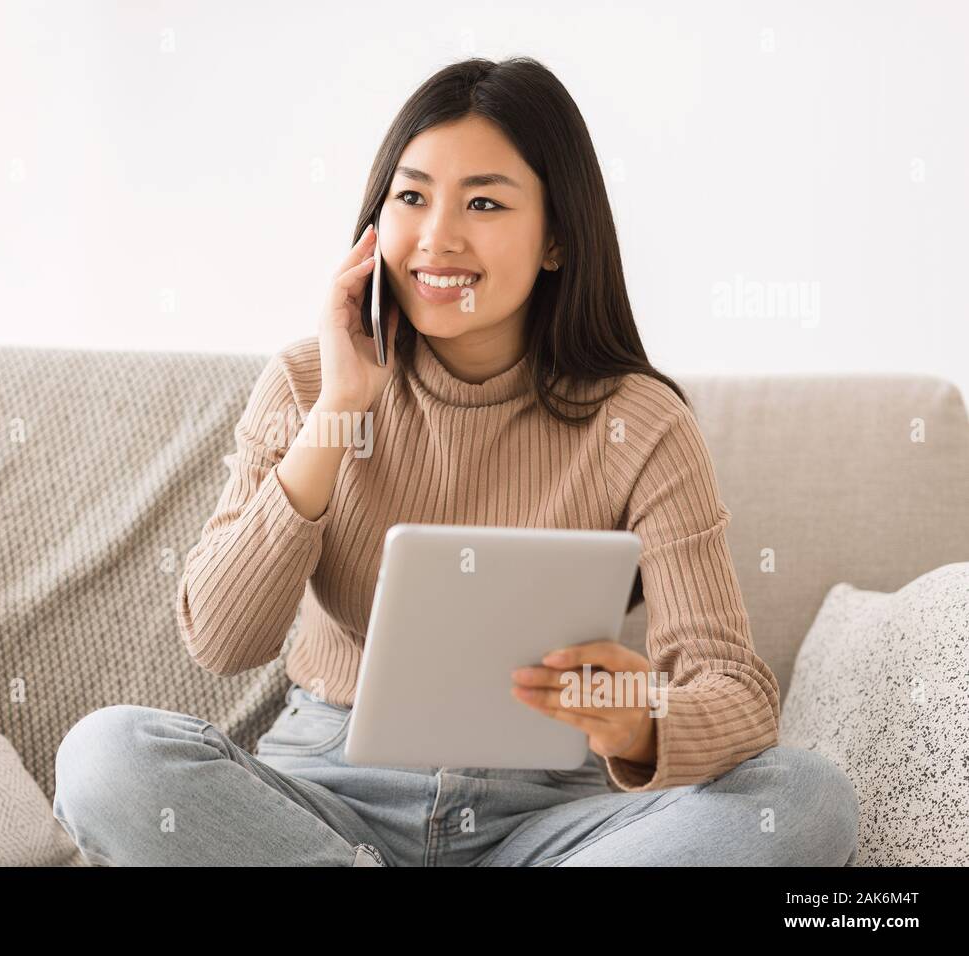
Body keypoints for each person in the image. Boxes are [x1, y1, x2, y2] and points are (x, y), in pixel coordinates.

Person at [52, 56, 859, 866]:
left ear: (555, 240)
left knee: (803, 799)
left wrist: (643, 717)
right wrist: (337, 413)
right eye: (411, 197)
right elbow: (224, 640)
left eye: (483, 202)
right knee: (106, 756)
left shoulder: (641, 422)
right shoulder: (307, 384)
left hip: (547, 821)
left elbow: (736, 692)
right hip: (329, 803)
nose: (437, 236)